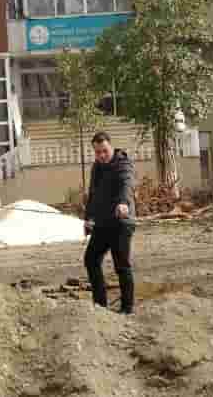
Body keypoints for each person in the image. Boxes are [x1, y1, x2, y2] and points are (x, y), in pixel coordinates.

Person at [83, 132, 136, 315]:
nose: (102, 156)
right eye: (98, 152)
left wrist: (123, 203)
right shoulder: (97, 167)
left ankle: (127, 308)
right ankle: (100, 306)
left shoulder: (123, 164)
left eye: (104, 151)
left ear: (111, 147)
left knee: (121, 265)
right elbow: (93, 194)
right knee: (90, 259)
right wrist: (89, 217)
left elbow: (126, 185)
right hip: (103, 223)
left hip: (122, 222)